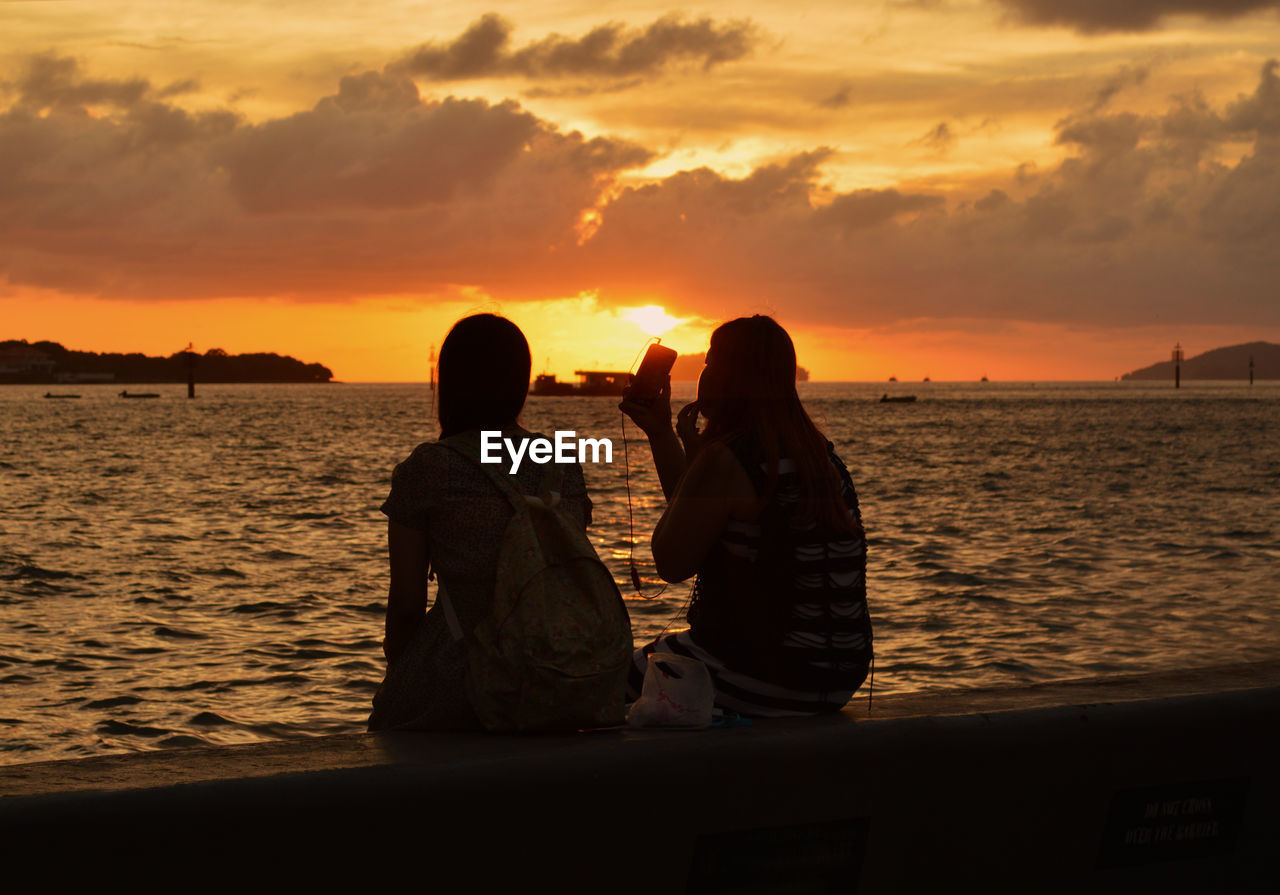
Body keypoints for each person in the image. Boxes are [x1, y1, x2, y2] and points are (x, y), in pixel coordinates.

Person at [619, 315, 872, 716]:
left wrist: (700, 456)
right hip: (835, 679)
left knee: (600, 682)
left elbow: (671, 560)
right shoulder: (819, 454)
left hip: (758, 674)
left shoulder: (730, 456)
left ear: (732, 377)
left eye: (711, 363)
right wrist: (663, 435)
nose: (704, 374)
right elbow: (700, 524)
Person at [368, 314, 594, 730]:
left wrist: (401, 679)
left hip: (460, 679)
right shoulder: (561, 463)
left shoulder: (431, 468)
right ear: (520, 382)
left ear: (450, 382)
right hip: (555, 676)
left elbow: (405, 608)